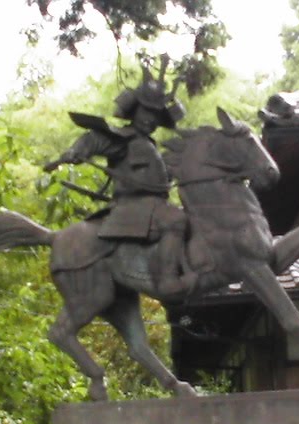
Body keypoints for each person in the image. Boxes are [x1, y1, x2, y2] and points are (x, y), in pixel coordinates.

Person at [44, 65, 196, 296]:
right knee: (175, 219)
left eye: (155, 116)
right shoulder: (122, 139)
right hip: (133, 207)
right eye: (146, 113)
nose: (150, 120)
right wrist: (76, 152)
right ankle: (168, 281)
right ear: (134, 111)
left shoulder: (152, 147)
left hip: (155, 206)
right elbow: (95, 139)